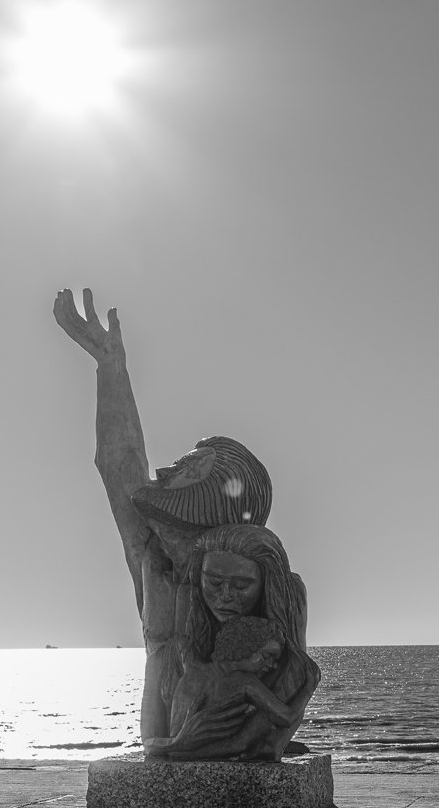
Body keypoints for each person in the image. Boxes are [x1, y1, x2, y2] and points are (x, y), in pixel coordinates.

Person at [51, 286, 289, 747]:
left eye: (187, 468)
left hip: (226, 733)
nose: (165, 472)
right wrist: (110, 367)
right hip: (164, 738)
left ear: (214, 492)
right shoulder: (152, 553)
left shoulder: (248, 565)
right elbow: (119, 459)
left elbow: (285, 660)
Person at [147, 526, 321, 763]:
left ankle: (257, 743)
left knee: (296, 665)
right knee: (160, 659)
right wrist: (178, 741)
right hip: (190, 737)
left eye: (241, 586)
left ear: (266, 583)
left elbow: (297, 673)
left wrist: (276, 742)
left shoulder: (289, 598)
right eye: (214, 582)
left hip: (244, 731)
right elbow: (151, 738)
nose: (226, 595)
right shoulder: (185, 610)